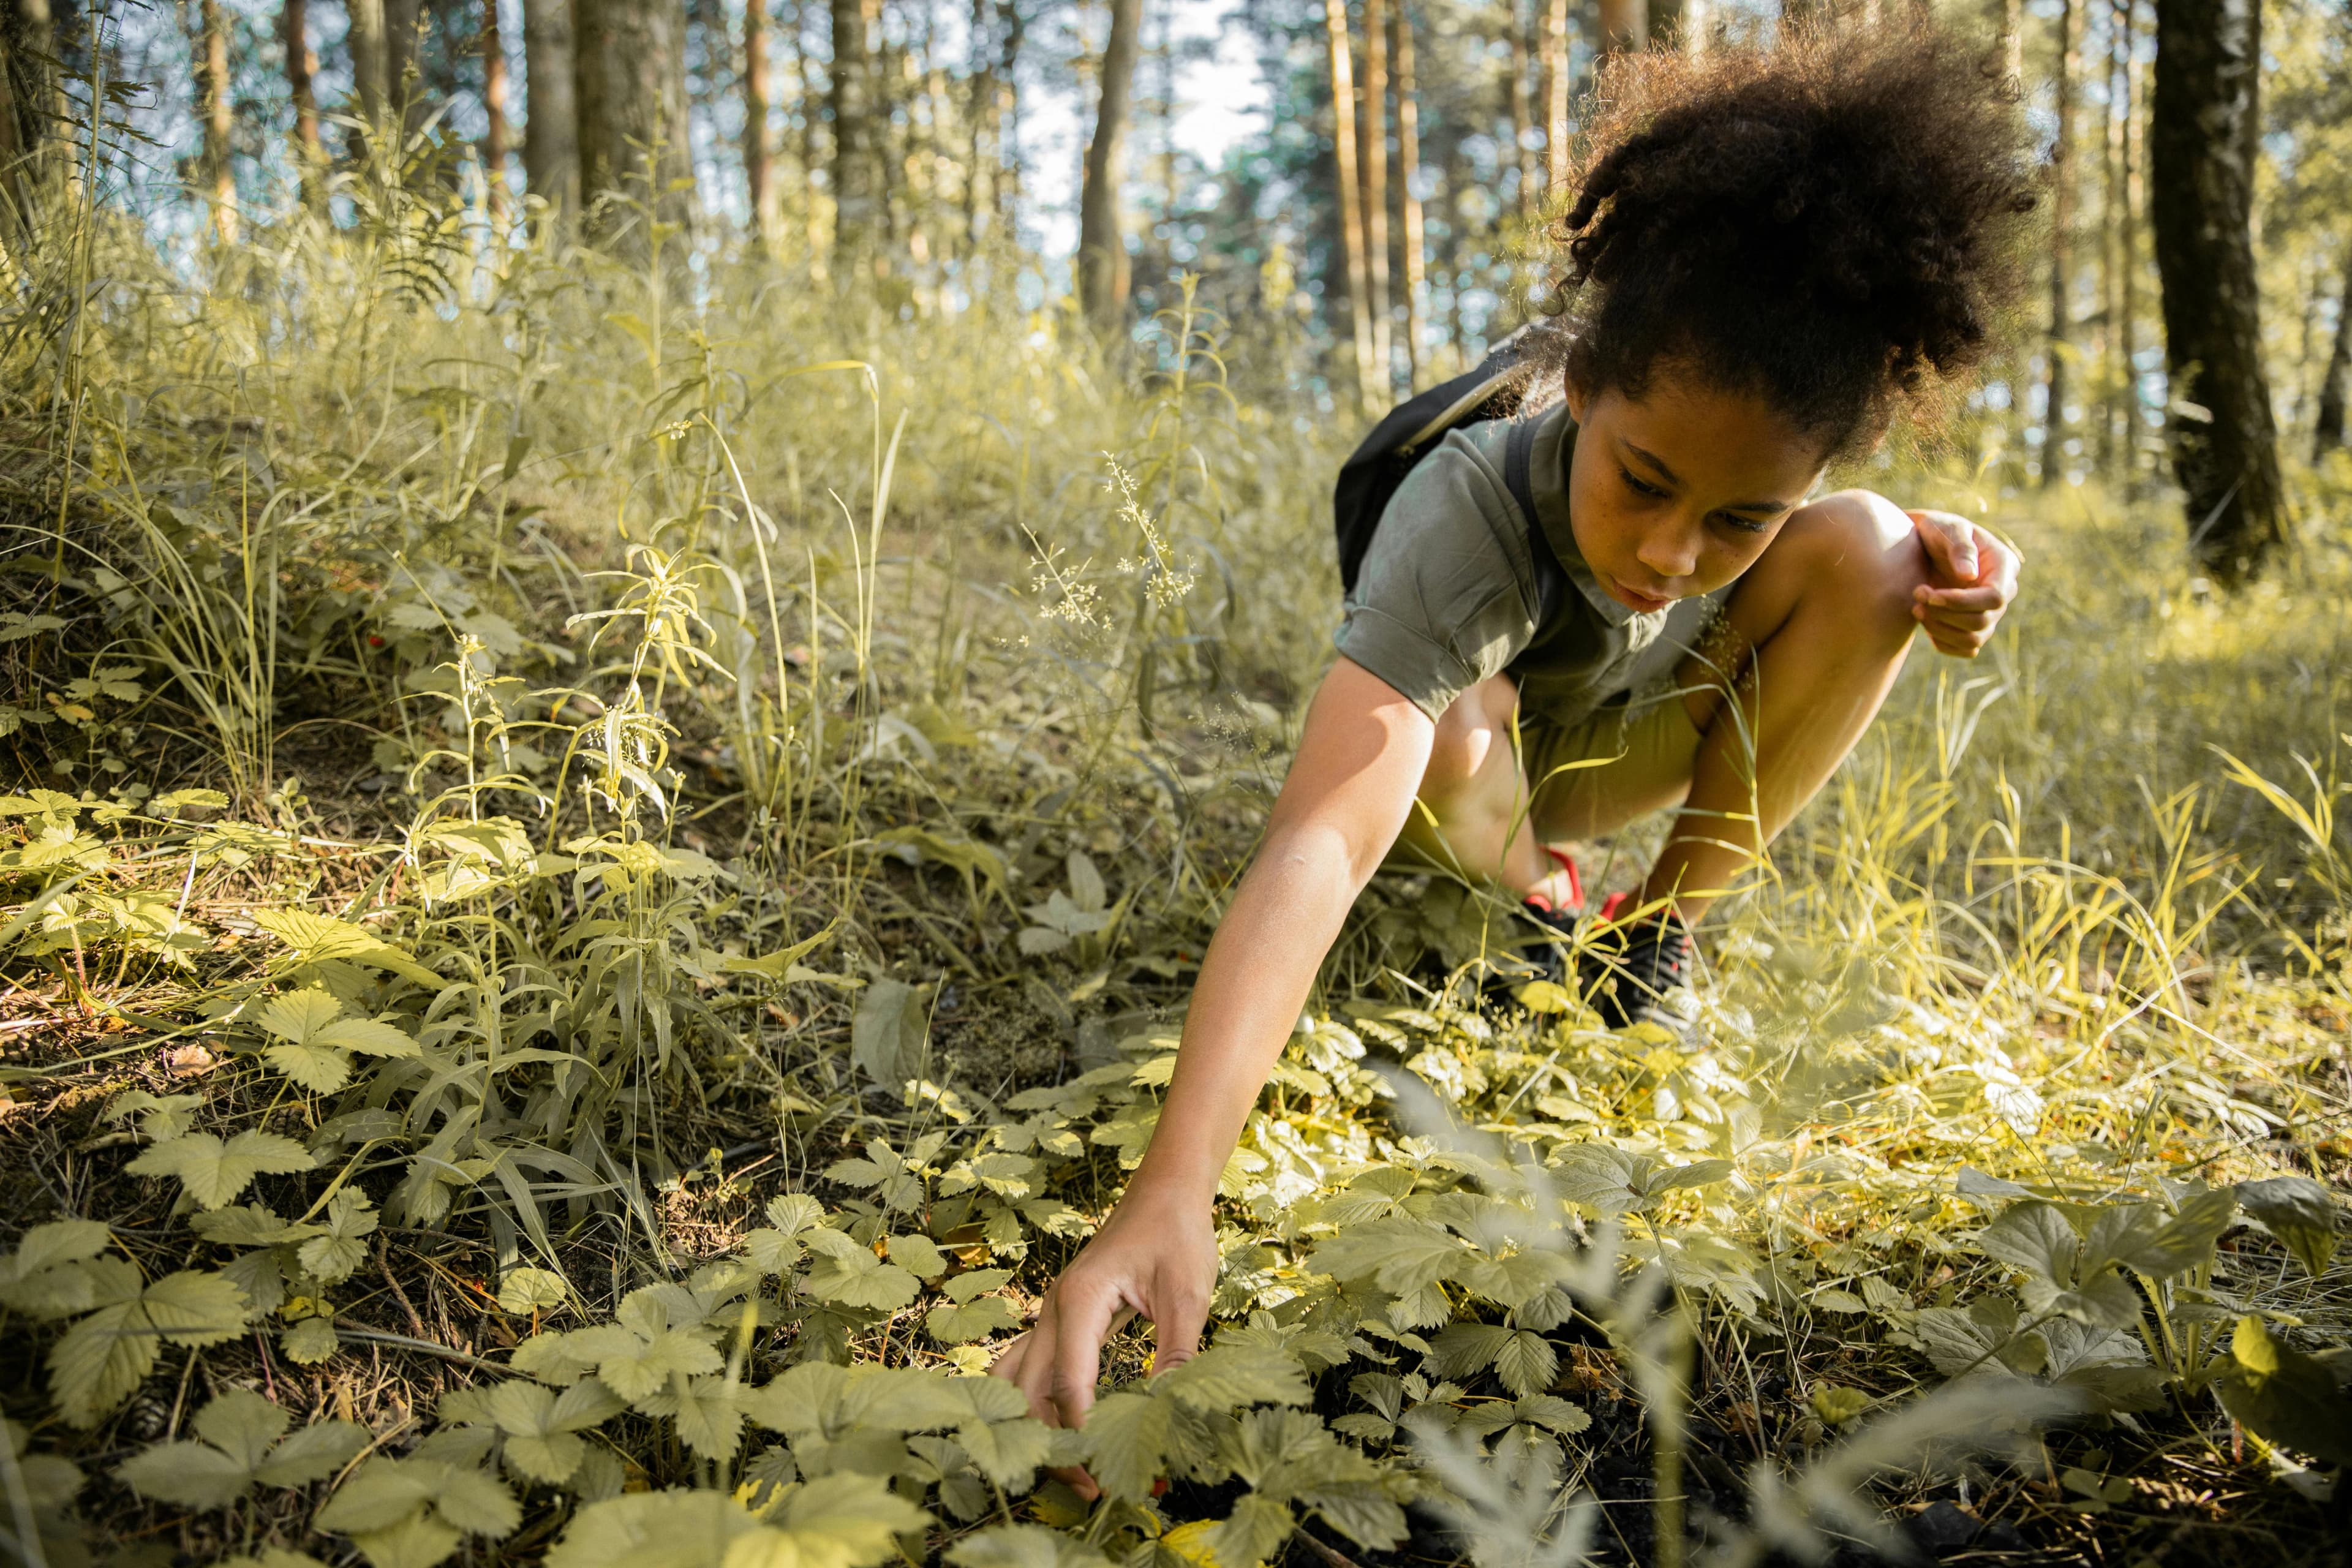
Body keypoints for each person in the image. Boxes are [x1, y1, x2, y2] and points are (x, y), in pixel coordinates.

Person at [993, 22, 2038, 1454]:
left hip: (1620, 756)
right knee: (1439, 714)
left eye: (1740, 515)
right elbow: (1317, 835)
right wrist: (1176, 1177)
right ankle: (1545, 909)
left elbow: (1839, 550)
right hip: (1480, 774)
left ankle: (1645, 947)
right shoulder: (1467, 507)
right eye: (1645, 479)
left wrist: (1952, 584)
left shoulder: (1783, 508)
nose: (1672, 551)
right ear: (1580, 382)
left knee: (1874, 556)